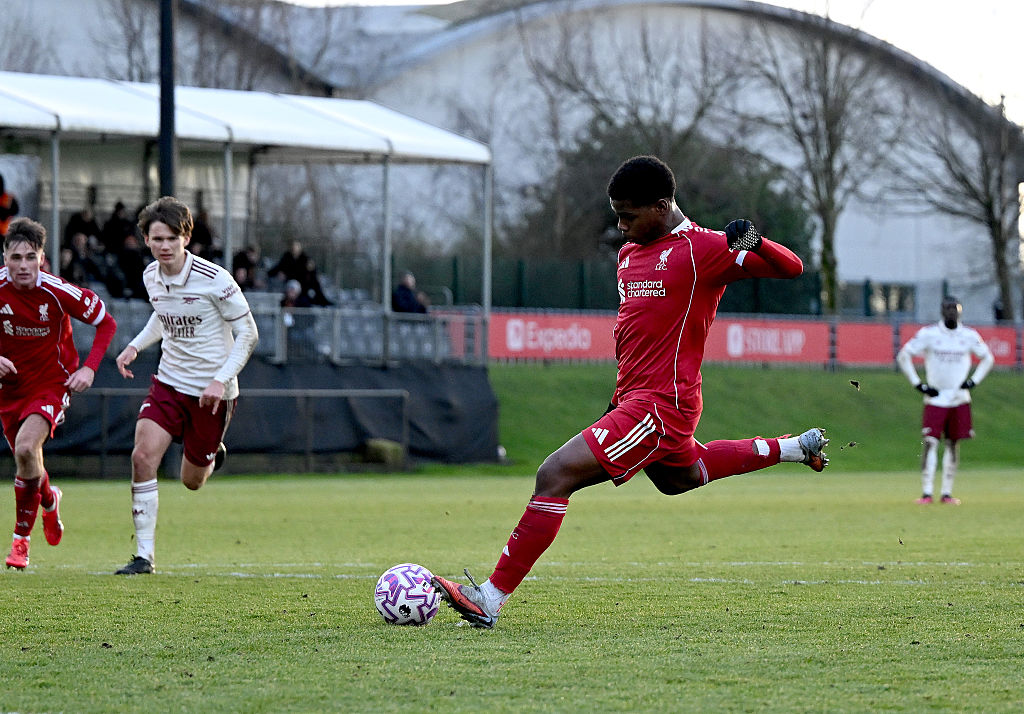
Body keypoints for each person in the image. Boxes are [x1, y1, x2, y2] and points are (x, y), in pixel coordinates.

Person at [430, 155, 829, 628]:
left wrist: (753, 241)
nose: (620, 226)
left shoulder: (704, 250)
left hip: (663, 405)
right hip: (636, 400)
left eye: (628, 215)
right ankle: (795, 448)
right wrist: (616, 402)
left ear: (662, 206)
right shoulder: (627, 255)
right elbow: (634, 336)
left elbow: (793, 268)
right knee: (683, 477)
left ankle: (490, 598)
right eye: (616, 214)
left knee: (555, 474)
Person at [112, 196, 259, 575]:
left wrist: (219, 379)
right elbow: (162, 318)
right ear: (146, 239)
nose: (164, 246)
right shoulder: (150, 276)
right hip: (169, 382)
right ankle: (144, 556)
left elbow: (249, 334)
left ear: (186, 238)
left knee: (191, 481)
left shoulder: (215, 280)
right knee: (142, 457)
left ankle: (212, 454)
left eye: (172, 239)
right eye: (157, 238)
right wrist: (134, 346)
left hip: (213, 393)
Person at [0, 218, 117, 569]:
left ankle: (20, 541)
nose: (23, 265)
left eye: (30, 257)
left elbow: (106, 322)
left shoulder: (56, 290)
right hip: (10, 389)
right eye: (16, 257)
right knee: (28, 458)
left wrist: (90, 368)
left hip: (51, 382)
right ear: (4, 256)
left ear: (41, 258)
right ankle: (49, 499)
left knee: (24, 447)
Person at [896, 296, 993, 505]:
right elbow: (904, 355)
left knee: (953, 443)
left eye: (954, 308)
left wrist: (973, 381)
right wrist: (918, 384)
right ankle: (927, 492)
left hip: (959, 398)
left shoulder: (968, 335)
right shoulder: (929, 334)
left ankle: (947, 493)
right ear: (942, 311)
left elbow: (988, 358)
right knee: (930, 442)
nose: (951, 312)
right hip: (936, 398)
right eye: (948, 308)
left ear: (960, 311)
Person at [0, 173, 19, 237]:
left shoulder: (9, 198)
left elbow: (15, 210)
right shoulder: (8, 197)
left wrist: (4, 212)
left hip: (3, 233)